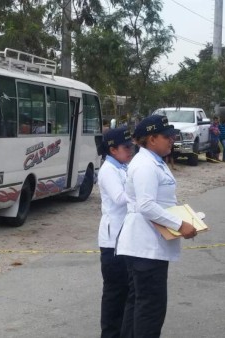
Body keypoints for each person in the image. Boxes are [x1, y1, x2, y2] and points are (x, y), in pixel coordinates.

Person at [116, 115, 198, 338]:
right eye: (167, 136)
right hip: (145, 246)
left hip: (148, 245)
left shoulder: (154, 161)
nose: (172, 139)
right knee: (150, 308)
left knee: (139, 303)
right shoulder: (145, 165)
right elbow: (146, 205)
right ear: (152, 139)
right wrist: (180, 224)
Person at [98, 127, 135, 338]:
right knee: (114, 294)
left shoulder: (122, 166)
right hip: (112, 241)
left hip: (125, 239)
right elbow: (120, 198)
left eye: (131, 146)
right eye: (126, 147)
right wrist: (142, 193)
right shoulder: (108, 171)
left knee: (125, 293)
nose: (130, 150)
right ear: (112, 150)